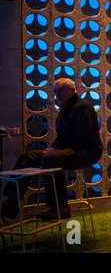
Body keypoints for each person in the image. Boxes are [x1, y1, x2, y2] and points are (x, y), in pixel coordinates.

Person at [1, 78, 103, 220]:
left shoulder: (83, 107)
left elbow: (83, 137)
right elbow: (61, 136)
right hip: (71, 149)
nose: (57, 95)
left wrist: (56, 151)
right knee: (27, 157)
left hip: (88, 151)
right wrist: (53, 147)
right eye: (55, 92)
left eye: (60, 91)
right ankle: (12, 203)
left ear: (72, 90)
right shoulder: (64, 109)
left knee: (50, 159)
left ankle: (60, 207)